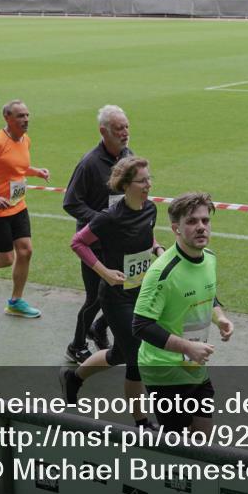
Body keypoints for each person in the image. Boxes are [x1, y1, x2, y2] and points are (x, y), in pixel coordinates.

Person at [60, 157, 165, 429]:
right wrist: (104, 272)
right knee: (137, 358)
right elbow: (77, 242)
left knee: (119, 353)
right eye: (143, 181)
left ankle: (74, 379)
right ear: (127, 185)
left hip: (141, 291)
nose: (149, 184)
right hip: (116, 298)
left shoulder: (150, 209)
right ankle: (142, 422)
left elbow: (147, 233)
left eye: (149, 179)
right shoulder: (110, 217)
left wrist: (156, 248)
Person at [131, 192, 233, 433]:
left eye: (205, 221)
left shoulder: (209, 258)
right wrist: (188, 347)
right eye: (192, 222)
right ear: (176, 228)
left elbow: (208, 292)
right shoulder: (162, 272)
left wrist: (220, 318)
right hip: (164, 370)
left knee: (203, 434)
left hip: (193, 365)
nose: (201, 227)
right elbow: (141, 325)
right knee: (177, 445)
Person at [62, 105, 133, 361]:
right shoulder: (89, 164)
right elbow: (71, 202)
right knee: (95, 298)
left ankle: (99, 327)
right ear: (104, 131)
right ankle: (76, 345)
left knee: (127, 289)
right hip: (91, 243)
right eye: (119, 128)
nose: (125, 132)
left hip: (119, 241)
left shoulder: (127, 156)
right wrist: (101, 220)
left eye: (127, 126)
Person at [0, 100, 49, 318]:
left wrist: (36, 172)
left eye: (27, 115)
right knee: (6, 258)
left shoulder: (25, 140)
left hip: (17, 204)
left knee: (25, 251)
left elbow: (19, 167)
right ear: (7, 118)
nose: (25, 120)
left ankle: (15, 301)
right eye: (20, 116)